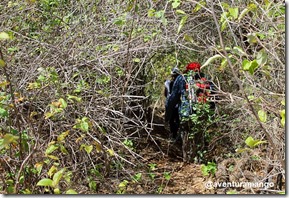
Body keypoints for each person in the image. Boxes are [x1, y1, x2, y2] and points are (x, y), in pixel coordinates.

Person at [164, 67, 181, 140]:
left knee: (172, 120)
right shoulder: (179, 83)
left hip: (171, 105)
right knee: (176, 120)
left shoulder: (168, 83)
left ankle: (174, 135)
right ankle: (175, 135)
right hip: (177, 105)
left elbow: (165, 94)